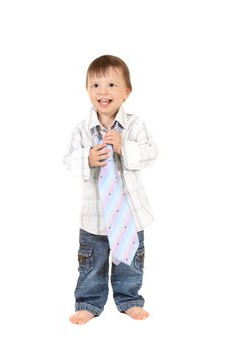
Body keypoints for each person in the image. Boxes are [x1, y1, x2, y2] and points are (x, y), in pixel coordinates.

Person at [64, 55, 157, 325]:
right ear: (87, 91)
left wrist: (123, 148)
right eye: (95, 86)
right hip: (95, 216)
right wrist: (87, 158)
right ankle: (88, 303)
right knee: (92, 263)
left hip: (129, 216)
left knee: (130, 262)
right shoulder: (82, 130)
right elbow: (68, 158)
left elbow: (151, 153)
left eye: (111, 85)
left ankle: (129, 299)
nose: (103, 92)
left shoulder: (135, 126)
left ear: (126, 92)